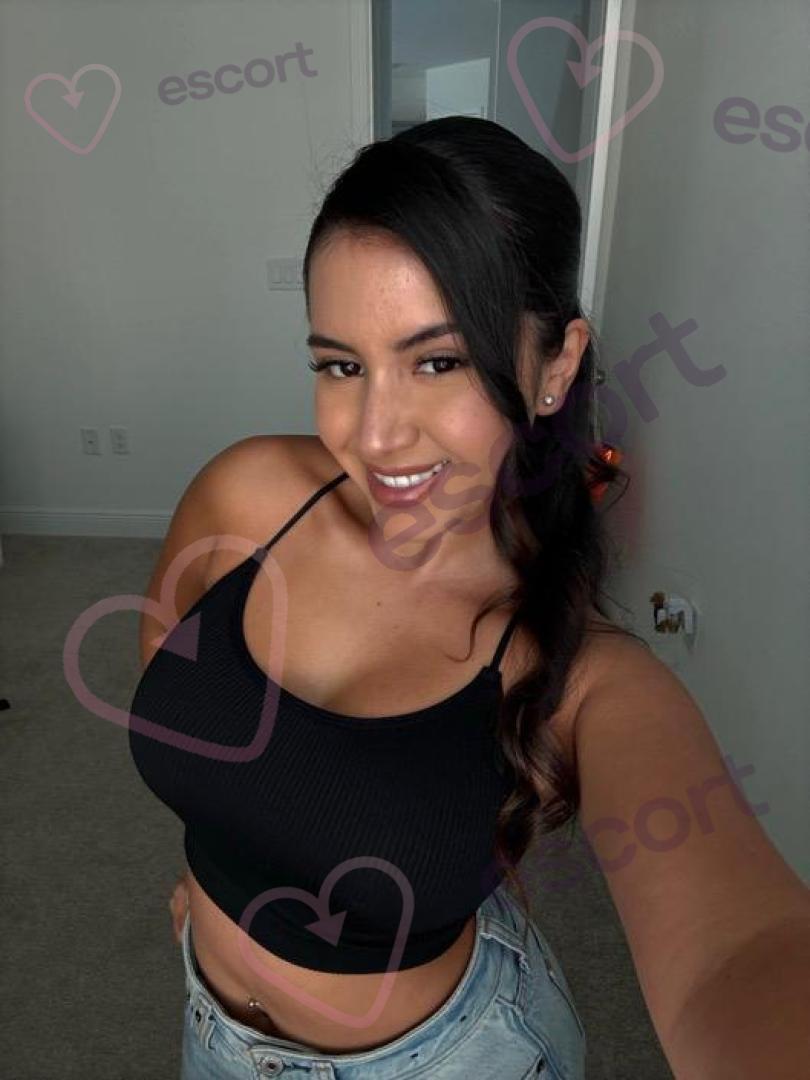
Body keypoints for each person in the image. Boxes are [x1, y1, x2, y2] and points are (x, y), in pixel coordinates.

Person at [134, 117, 810, 1079]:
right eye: (341, 365)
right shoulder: (244, 498)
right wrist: (211, 870)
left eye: (438, 361)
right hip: (213, 1039)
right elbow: (171, 668)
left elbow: (733, 957)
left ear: (556, 366)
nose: (376, 433)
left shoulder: (588, 678)